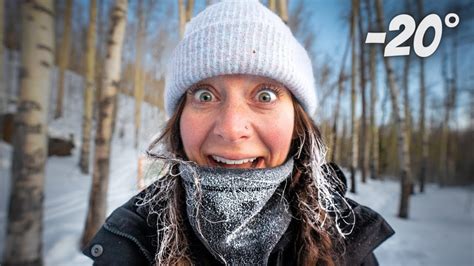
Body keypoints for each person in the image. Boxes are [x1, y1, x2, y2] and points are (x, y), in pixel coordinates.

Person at [83, 0, 394, 265]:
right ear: (178, 119)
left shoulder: (349, 241)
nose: (232, 129)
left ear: (298, 123)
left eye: (265, 96)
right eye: (204, 95)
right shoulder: (130, 241)